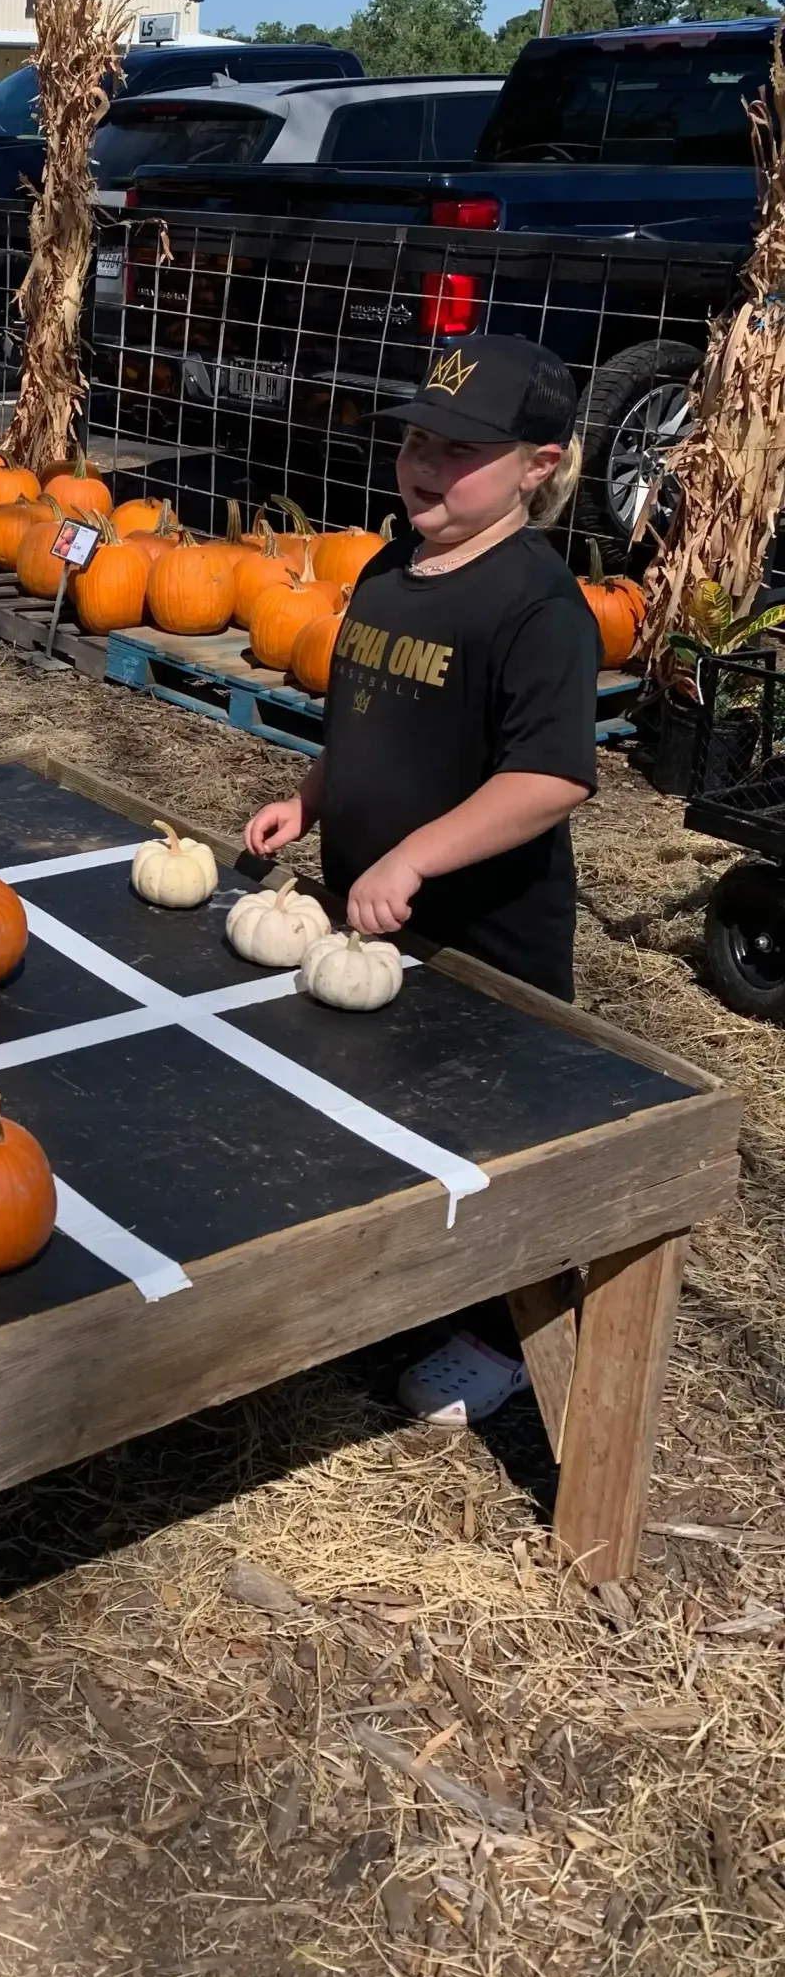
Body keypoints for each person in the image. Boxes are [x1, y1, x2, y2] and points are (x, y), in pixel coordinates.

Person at [242, 334, 598, 1425]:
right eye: (416, 440)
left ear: (537, 466)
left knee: (491, 1139)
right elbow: (365, 720)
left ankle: (503, 1338)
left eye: (461, 451)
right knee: (376, 1103)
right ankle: (404, 1290)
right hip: (373, 925)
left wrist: (413, 855)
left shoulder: (537, 607)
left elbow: (549, 779)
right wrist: (310, 797)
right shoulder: (390, 569)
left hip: (481, 939)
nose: (426, 466)